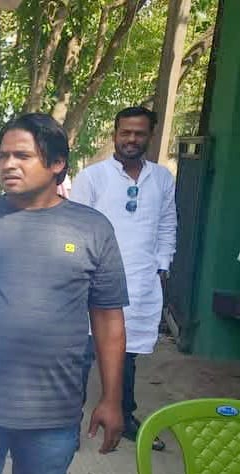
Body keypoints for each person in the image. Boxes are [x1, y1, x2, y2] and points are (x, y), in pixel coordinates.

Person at [0, 113, 128, 474]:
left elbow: (108, 320)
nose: (8, 165)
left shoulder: (92, 229)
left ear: (57, 163)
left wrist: (112, 399)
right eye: (3, 156)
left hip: (52, 410)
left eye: (22, 156)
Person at [71, 106, 177, 451]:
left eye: (139, 133)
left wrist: (162, 265)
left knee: (126, 354)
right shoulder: (93, 177)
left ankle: (124, 415)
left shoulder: (161, 178)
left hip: (139, 278)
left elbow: (167, 224)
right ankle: (67, 423)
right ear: (115, 134)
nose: (131, 139)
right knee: (82, 354)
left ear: (150, 136)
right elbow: (76, 225)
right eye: (125, 132)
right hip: (94, 279)